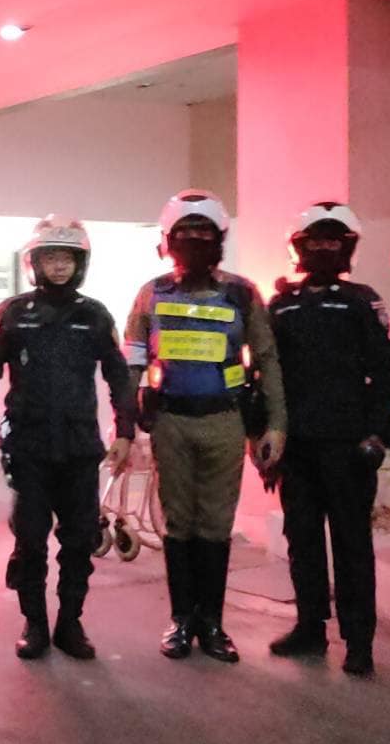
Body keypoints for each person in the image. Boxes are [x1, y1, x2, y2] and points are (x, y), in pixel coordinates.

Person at [122, 190, 286, 663]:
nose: (195, 240)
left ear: (220, 239)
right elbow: (132, 358)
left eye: (204, 233)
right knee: (178, 523)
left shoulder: (242, 293)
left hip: (224, 422)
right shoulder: (152, 293)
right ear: (168, 240)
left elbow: (267, 359)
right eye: (185, 233)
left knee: (215, 524)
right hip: (171, 422)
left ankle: (212, 624)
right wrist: (125, 426)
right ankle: (181, 621)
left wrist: (276, 424)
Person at [0, 216, 135, 661]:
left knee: (80, 539)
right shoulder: (12, 314)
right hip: (28, 446)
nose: (59, 266)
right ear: (35, 263)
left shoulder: (95, 315)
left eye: (67, 258)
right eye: (51, 257)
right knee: (30, 539)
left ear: (79, 263)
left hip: (80, 447)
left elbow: (119, 376)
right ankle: (34, 623)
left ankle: (70, 623)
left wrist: (126, 430)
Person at [266, 202, 390, 677]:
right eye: (315, 241)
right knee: (301, 540)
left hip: (348, 447)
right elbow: (268, 376)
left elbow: (385, 374)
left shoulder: (363, 301)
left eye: (332, 242)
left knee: (352, 543)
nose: (323, 249)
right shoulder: (282, 305)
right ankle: (310, 627)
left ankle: (359, 642)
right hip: (297, 447)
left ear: (347, 247)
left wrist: (377, 434)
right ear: (299, 247)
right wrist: (267, 439)